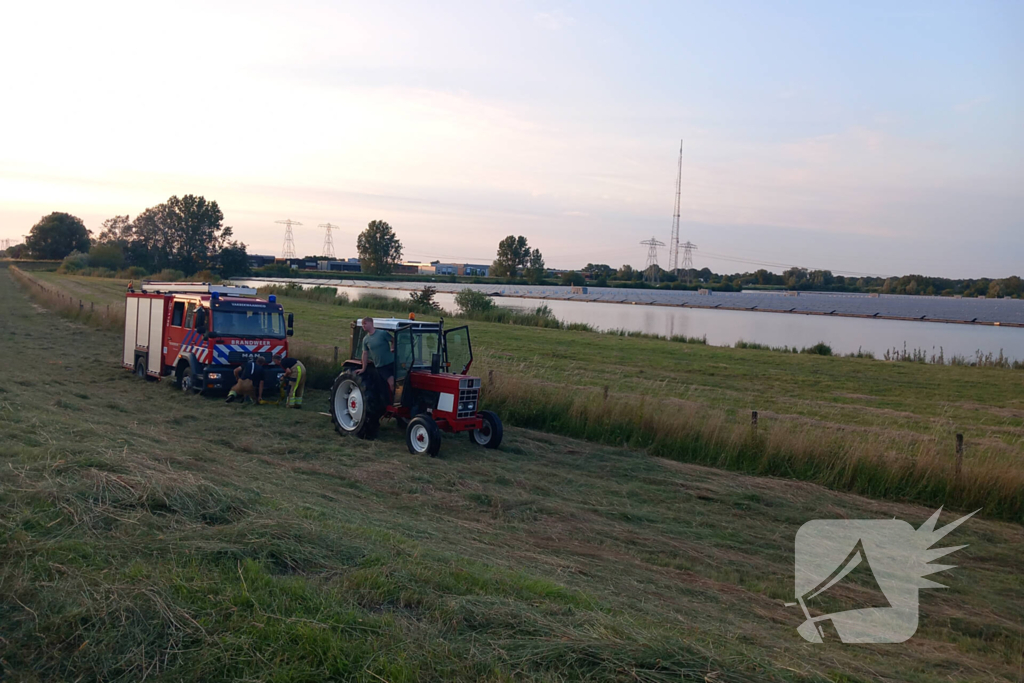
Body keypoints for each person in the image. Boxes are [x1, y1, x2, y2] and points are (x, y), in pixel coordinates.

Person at [357, 317, 395, 395]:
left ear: (371, 323)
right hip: (381, 366)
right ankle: (396, 403)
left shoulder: (382, 333)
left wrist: (392, 347)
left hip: (392, 362)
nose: (363, 326)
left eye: (365, 323)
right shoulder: (366, 339)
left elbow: (393, 340)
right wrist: (363, 368)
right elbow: (365, 354)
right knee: (392, 383)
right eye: (362, 324)